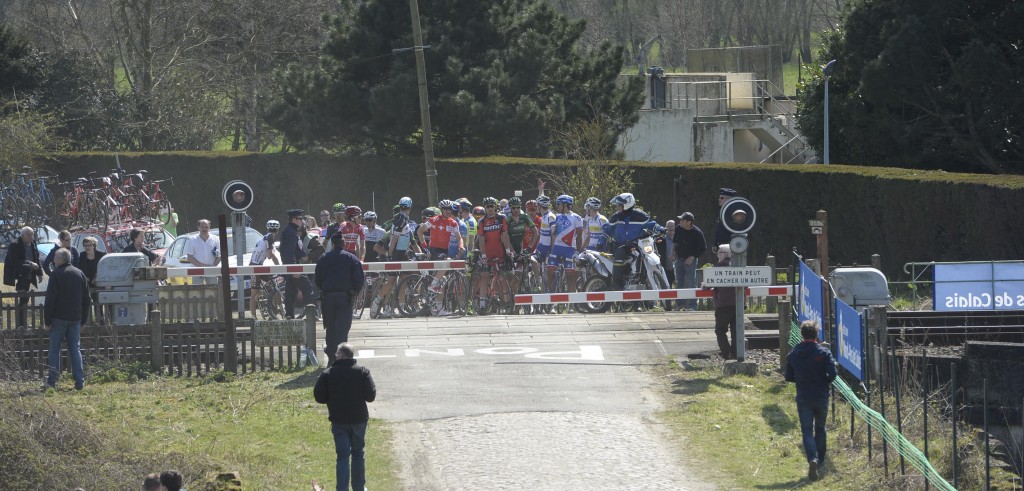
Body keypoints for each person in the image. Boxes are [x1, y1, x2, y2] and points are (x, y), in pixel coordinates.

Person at [314, 343, 376, 491]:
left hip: (339, 420)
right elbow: (371, 396)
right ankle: (359, 487)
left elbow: (319, 397)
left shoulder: (328, 373)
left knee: (342, 456)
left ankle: (342, 489)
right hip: (359, 420)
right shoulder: (362, 372)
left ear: (340, 355)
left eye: (336, 354)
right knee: (358, 453)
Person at [785, 320, 838, 482]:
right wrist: (824, 381)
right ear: (816, 334)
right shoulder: (823, 352)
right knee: (820, 428)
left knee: (807, 430)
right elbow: (833, 374)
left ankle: (812, 459)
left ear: (802, 334)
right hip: (821, 396)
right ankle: (821, 461)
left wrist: (800, 380)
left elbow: (788, 377)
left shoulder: (793, 353)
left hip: (803, 397)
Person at [43, 248, 90, 390]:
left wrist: (47, 321)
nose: (54, 260)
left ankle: (52, 381)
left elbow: (50, 299)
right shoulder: (79, 273)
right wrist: (84, 320)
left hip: (58, 318)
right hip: (75, 318)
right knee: (75, 349)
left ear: (62, 259)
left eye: (56, 258)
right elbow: (87, 299)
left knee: (54, 350)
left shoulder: (56, 274)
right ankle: (79, 381)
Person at [316, 234, 365, 364]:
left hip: (328, 297)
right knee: (343, 327)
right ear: (344, 244)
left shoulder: (323, 258)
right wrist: (355, 292)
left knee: (330, 327)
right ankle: (342, 357)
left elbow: (317, 279)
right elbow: (359, 279)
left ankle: (332, 355)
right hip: (345, 297)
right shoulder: (351, 258)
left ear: (332, 244)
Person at [603, 193, 664, 291]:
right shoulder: (616, 217)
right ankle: (617, 282)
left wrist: (661, 229)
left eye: (619, 205)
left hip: (637, 244)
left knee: (646, 253)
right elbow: (607, 229)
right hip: (621, 245)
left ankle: (643, 281)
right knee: (620, 253)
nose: (618, 207)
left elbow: (651, 224)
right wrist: (602, 240)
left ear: (627, 204)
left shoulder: (640, 215)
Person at [419, 200, 463, 303]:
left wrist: (461, 246)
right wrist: (424, 246)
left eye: (450, 209)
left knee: (442, 279)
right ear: (441, 210)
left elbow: (459, 238)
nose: (448, 211)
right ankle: (433, 285)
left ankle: (439, 307)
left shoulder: (453, 222)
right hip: (434, 250)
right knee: (446, 263)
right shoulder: (434, 220)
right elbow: (420, 231)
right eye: (446, 209)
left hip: (444, 250)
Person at [475, 197, 514, 312]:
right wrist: (483, 255)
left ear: (495, 207)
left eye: (492, 206)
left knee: (502, 276)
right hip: (487, 252)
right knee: (485, 276)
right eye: (487, 207)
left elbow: (505, 234)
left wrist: (507, 249)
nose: (490, 209)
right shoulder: (481, 221)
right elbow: (481, 239)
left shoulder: (502, 218)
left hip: (499, 251)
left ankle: (506, 301)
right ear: (485, 208)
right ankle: (482, 303)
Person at [4, 226, 43, 328]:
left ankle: (23, 323)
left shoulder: (33, 244)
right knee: (22, 298)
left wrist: (40, 273)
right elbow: (14, 261)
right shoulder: (15, 244)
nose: (31, 237)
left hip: (29, 275)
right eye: (29, 235)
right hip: (18, 273)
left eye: (32, 234)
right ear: (22, 235)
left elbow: (37, 259)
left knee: (25, 300)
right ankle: (20, 324)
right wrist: (30, 263)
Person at [547, 194, 584, 295]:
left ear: (565, 205)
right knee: (549, 273)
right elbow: (554, 234)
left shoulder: (577, 218)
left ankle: (571, 304)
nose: (557, 206)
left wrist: (578, 252)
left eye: (558, 204)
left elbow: (580, 236)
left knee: (570, 278)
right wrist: (553, 230)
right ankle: (550, 301)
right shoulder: (557, 216)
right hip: (557, 248)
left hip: (570, 249)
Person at [280, 209, 313, 319]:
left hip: (291, 266)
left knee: (290, 291)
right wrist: (294, 269)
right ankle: (310, 314)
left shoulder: (291, 231)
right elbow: (288, 252)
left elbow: (296, 250)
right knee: (307, 287)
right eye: (300, 218)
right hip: (292, 266)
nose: (302, 220)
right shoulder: (290, 232)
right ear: (294, 220)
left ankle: (289, 315)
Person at [674, 212, 707, 310]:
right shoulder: (678, 228)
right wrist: (672, 253)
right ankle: (679, 304)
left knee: (691, 282)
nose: (680, 222)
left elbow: (703, 248)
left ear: (689, 222)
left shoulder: (697, 232)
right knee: (679, 282)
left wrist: (693, 257)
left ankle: (693, 306)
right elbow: (675, 241)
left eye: (682, 220)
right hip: (679, 259)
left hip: (691, 261)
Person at [249, 220, 282, 317]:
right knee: (255, 292)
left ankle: (275, 309)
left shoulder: (264, 237)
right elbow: (269, 255)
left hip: (258, 265)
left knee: (274, 286)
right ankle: (253, 316)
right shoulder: (270, 237)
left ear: (267, 228)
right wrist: (280, 268)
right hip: (255, 266)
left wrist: (279, 267)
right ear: (278, 230)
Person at [712, 245, 737, 358]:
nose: (717, 254)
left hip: (723, 305)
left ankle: (727, 354)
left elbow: (709, 284)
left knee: (720, 331)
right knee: (737, 332)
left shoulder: (719, 267)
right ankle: (737, 354)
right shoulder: (738, 266)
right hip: (739, 305)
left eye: (718, 252)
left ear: (723, 254)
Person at [76, 236, 106, 324]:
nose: (87, 247)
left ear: (94, 245)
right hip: (86, 284)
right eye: (85, 245)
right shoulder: (81, 255)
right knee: (86, 303)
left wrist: (97, 277)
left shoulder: (101, 255)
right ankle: (88, 322)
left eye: (89, 245)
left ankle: (100, 322)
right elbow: (80, 269)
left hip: (98, 283)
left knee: (98, 304)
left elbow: (104, 269)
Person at [185, 219, 219, 284]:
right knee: (196, 292)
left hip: (212, 270)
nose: (204, 229)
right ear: (198, 228)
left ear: (209, 227)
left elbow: (219, 255)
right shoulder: (192, 240)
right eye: (202, 227)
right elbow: (190, 257)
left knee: (213, 291)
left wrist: (213, 267)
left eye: (206, 227)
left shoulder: (215, 239)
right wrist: (202, 266)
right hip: (197, 270)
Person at [713, 187, 737, 253]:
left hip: (730, 246)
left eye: (722, 198)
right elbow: (718, 229)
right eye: (719, 197)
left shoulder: (734, 213)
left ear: (729, 200)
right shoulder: (722, 212)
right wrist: (716, 243)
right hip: (722, 246)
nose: (719, 199)